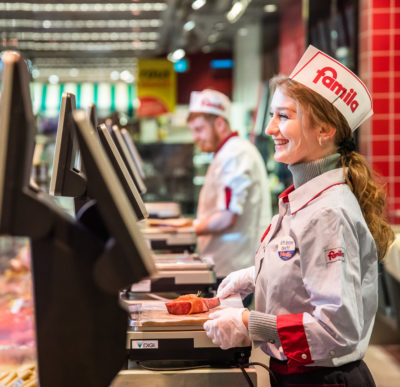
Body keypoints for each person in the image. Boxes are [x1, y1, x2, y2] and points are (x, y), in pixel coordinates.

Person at [203, 45, 395, 386]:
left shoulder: (328, 212)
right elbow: (302, 263)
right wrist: (253, 276)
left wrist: (251, 322)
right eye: (272, 115)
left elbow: (336, 330)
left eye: (284, 116)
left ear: (325, 130)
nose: (270, 129)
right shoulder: (307, 198)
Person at [187, 89, 272, 286]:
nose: (195, 137)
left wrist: (189, 229)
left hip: (233, 270)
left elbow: (227, 217)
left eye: (199, 129)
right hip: (226, 264)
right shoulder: (229, 151)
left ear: (220, 123)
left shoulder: (235, 154)